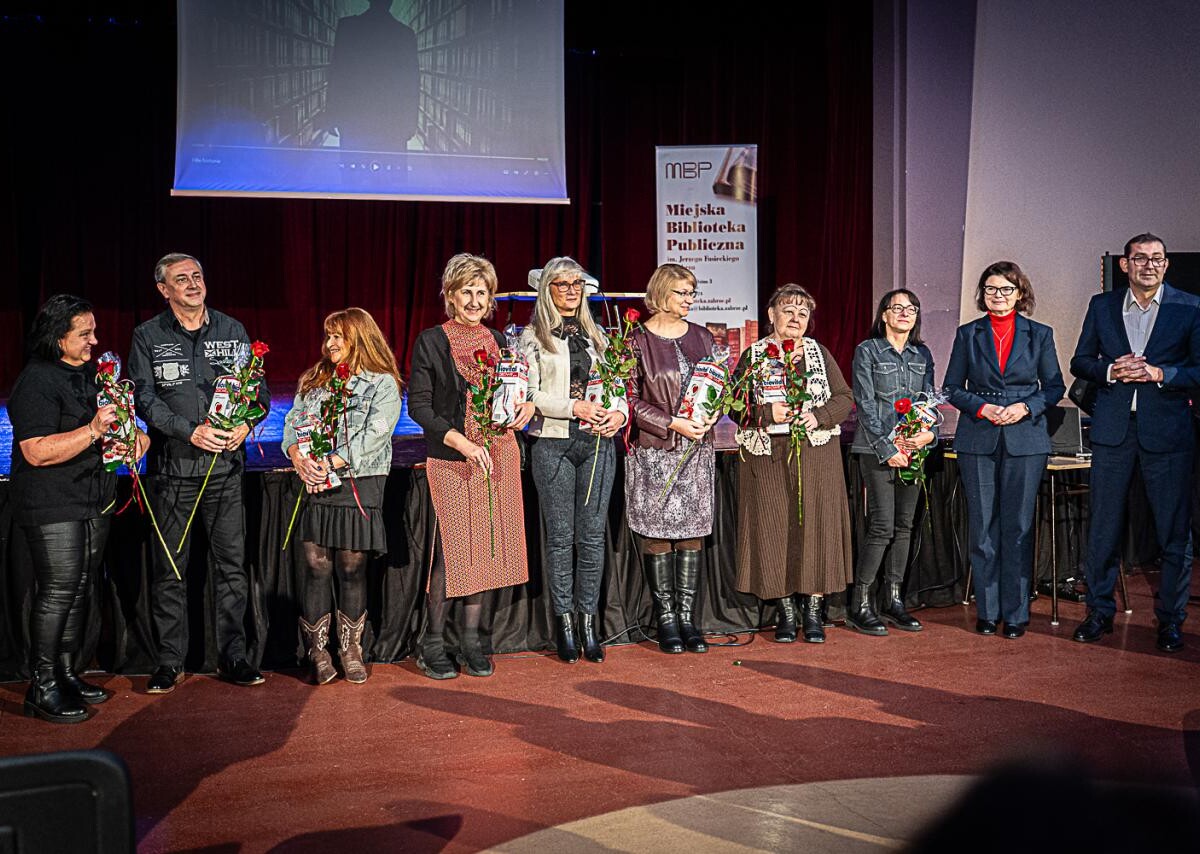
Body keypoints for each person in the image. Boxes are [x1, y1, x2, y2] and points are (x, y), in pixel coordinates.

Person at [129, 253, 270, 692]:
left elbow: (259, 389)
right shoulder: (147, 336)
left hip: (226, 471)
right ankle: (170, 661)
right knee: (170, 569)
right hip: (173, 472)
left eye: (197, 276)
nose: (192, 284)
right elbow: (144, 399)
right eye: (181, 279)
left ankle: (234, 656)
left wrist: (246, 423)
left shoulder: (232, 331)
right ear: (163, 289)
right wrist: (189, 432)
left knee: (231, 567)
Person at [10, 295, 148, 722]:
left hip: (94, 497)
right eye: (84, 334)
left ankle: (67, 673)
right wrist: (91, 430)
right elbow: (35, 451)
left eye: (94, 330)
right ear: (57, 339)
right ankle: (43, 684)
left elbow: (127, 432)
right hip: (53, 501)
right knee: (57, 592)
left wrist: (134, 440)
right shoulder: (36, 382)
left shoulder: (93, 375)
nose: (95, 340)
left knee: (80, 588)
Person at [1070, 233, 1200, 652]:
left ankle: (1170, 621)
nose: (1149, 265)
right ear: (1124, 264)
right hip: (1113, 432)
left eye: (1157, 258)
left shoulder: (1190, 307)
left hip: (1168, 434)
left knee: (1174, 532)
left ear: (1166, 264)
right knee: (1104, 528)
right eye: (1140, 258)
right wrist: (1111, 370)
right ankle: (1098, 612)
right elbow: (1080, 361)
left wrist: (1163, 374)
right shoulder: (1102, 306)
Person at [408, 253, 533, 679]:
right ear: (450, 296)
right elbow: (419, 406)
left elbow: (517, 391)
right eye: (467, 291)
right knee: (454, 555)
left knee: (486, 553)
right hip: (452, 461)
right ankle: (432, 643)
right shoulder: (431, 340)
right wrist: (460, 442)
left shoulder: (499, 341)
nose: (475, 299)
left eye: (482, 292)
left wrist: (527, 406)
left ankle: (471, 641)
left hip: (497, 456)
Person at [945, 261, 1065, 639]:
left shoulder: (1039, 334)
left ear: (1019, 294)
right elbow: (951, 386)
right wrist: (982, 407)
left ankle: (1015, 613)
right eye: (991, 289)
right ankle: (988, 609)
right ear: (983, 294)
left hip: (1025, 437)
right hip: (979, 436)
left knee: (1017, 528)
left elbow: (1054, 386)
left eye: (1006, 289)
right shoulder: (968, 334)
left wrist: (1025, 406)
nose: (998, 295)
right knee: (982, 527)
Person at [283, 308, 402, 684]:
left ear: (360, 338)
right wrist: (299, 458)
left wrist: (332, 461)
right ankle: (318, 651)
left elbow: (375, 435)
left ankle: (351, 647)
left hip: (359, 481)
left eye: (339, 336)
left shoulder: (382, 383)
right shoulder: (314, 380)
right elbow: (292, 425)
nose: (331, 344)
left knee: (352, 567)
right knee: (317, 566)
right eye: (328, 336)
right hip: (316, 482)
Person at [734, 284, 855, 643]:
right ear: (771, 315)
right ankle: (786, 611)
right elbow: (733, 406)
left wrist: (819, 416)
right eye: (788, 311)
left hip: (817, 455)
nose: (796, 319)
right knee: (775, 528)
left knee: (816, 527)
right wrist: (766, 412)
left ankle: (813, 612)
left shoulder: (820, 354)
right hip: (769, 457)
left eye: (803, 313)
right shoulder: (753, 356)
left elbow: (845, 397)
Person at [520, 257, 625, 663]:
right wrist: (573, 407)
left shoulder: (599, 335)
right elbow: (529, 394)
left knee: (593, 538)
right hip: (554, 443)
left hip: (598, 444)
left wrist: (619, 414)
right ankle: (564, 623)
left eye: (576, 283)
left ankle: (588, 623)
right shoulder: (533, 338)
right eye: (560, 284)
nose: (569, 290)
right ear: (546, 289)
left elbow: (616, 386)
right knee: (562, 539)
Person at [625, 264, 718, 654]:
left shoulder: (702, 336)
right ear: (662, 293)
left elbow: (714, 383)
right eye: (682, 292)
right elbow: (628, 399)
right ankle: (665, 619)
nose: (689, 300)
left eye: (692, 293)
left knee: (692, 531)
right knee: (658, 533)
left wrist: (713, 411)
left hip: (697, 450)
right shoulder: (637, 339)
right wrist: (671, 423)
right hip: (654, 450)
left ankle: (687, 617)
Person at [848, 289, 936, 635]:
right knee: (882, 526)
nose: (905, 313)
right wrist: (889, 448)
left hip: (914, 450)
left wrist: (927, 433)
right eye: (897, 308)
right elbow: (865, 404)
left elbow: (928, 398)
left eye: (911, 308)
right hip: (876, 450)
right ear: (884, 314)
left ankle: (894, 600)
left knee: (905, 526)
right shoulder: (867, 351)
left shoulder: (922, 353)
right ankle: (861, 604)